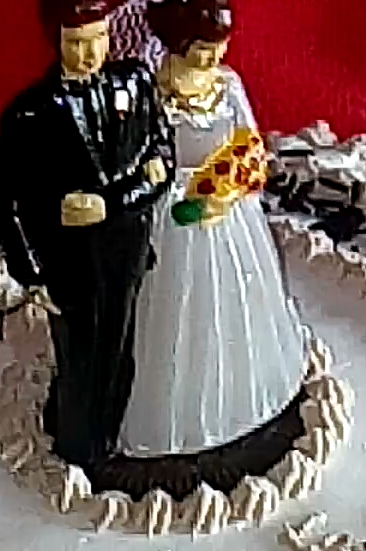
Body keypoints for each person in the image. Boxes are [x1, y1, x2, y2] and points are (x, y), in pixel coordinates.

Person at [117, 0, 306, 458]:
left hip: (227, 214)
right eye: (203, 48)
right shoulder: (150, 94)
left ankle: (240, 400)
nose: (214, 57)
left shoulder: (228, 86)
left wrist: (230, 186)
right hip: (169, 218)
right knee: (171, 315)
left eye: (219, 46)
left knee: (234, 307)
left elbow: (251, 144)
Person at [0, 0, 176, 468]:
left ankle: (110, 440)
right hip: (68, 265)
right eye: (77, 43)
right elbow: (9, 202)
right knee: (79, 356)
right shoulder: (29, 114)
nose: (91, 53)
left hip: (128, 251)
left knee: (120, 348)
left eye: (98, 38)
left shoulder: (136, 82)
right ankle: (78, 450)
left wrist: (111, 204)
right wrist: (31, 275)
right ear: (55, 41)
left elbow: (162, 162)